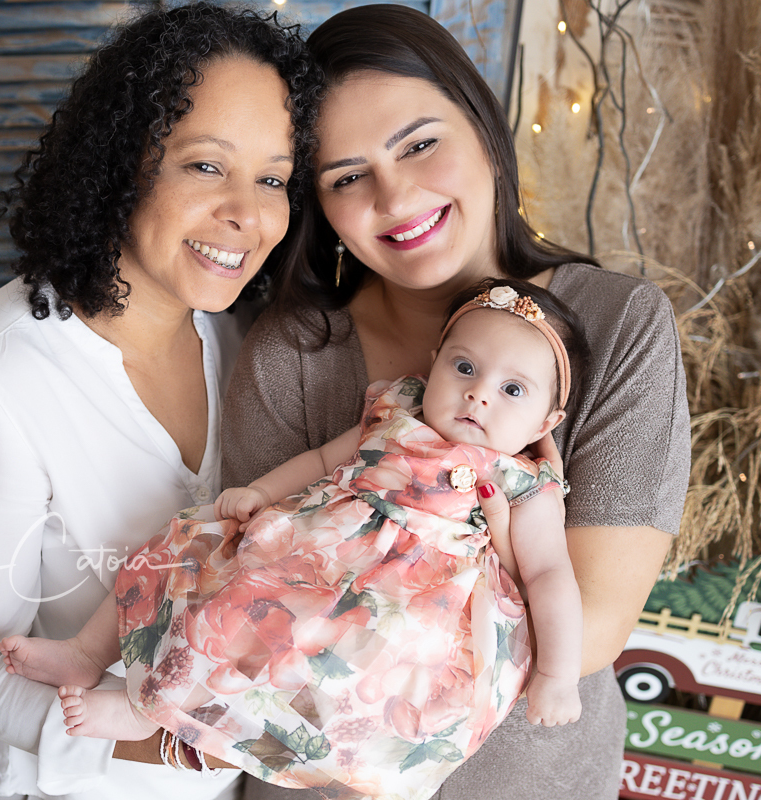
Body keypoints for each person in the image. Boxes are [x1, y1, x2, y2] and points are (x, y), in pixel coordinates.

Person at [222, 6, 691, 800]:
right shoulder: (293, 352)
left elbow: (592, 632)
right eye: (346, 176)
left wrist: (506, 542)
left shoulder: (619, 325)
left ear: (484, 127)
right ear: (321, 207)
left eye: (419, 143)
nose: (396, 195)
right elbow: (253, 599)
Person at [0, 5, 320, 799]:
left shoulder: (243, 338)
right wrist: (192, 752)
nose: (248, 215)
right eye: (204, 166)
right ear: (123, 162)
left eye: (272, 179)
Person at [0, 278, 585, 800]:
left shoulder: (524, 482)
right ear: (433, 365)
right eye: (464, 368)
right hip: (311, 555)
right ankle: (96, 661)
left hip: (412, 613)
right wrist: (260, 490)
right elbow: (328, 457)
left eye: (513, 390)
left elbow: (548, 575)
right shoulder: (395, 410)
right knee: (199, 560)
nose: (479, 393)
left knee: (363, 690)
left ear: (545, 424)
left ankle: (182, 727)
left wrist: (557, 675)